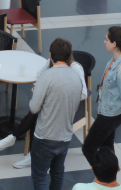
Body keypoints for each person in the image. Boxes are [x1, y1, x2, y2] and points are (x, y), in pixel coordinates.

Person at [0, 46, 88, 170]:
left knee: (36, 111)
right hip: (49, 103)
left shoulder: (76, 69)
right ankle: (27, 150)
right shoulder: (50, 62)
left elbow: (84, 93)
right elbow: (39, 76)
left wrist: (54, 95)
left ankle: (15, 139)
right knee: (37, 110)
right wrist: (40, 90)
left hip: (66, 106)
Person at [25, 38, 84, 190]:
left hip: (45, 136)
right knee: (57, 173)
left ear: (50, 55)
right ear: (69, 55)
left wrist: (36, 95)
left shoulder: (46, 77)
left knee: (40, 176)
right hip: (65, 136)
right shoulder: (76, 77)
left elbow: (34, 108)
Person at [82, 27, 121, 167]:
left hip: (110, 115)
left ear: (114, 44)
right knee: (107, 147)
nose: (104, 41)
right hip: (109, 110)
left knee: (88, 148)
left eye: (106, 39)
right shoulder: (116, 60)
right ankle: (111, 171)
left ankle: (104, 175)